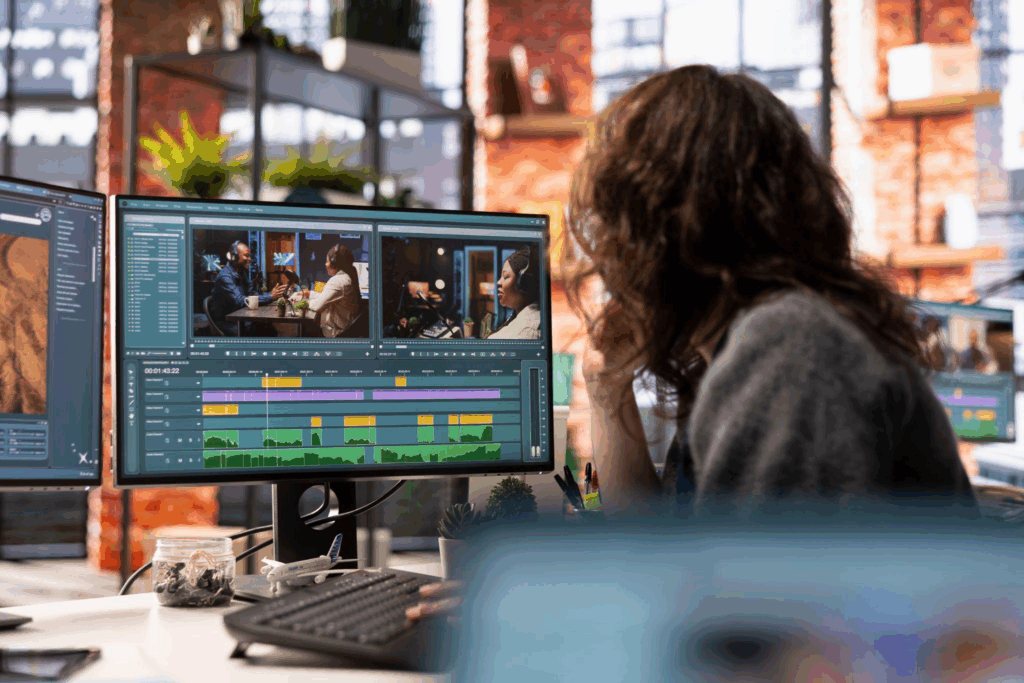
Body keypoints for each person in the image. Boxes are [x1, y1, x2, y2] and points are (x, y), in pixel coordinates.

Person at [562, 64, 977, 520]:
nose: (607, 250)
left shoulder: (790, 348)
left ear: (663, 227)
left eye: (616, 222)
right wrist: (608, 388)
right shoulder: (748, 345)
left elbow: (750, 588)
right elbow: (655, 557)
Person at [209, 241, 286, 336]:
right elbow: (240, 301)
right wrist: (270, 296)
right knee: (267, 332)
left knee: (270, 330)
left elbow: (251, 295)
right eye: (246, 255)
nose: (249, 259)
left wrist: (272, 294)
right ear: (234, 257)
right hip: (228, 322)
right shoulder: (225, 277)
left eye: (250, 256)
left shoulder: (242, 273)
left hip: (241, 318)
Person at [299, 244, 361, 337]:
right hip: (346, 331)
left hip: (337, 333)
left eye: (327, 261)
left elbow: (317, 306)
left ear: (334, 263)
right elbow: (327, 297)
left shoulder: (337, 281)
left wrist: (306, 303)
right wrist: (310, 294)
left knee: (305, 331)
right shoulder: (345, 277)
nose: (325, 264)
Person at [486, 247, 541, 340]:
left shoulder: (527, 331)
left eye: (505, 277)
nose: (498, 282)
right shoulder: (518, 317)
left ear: (524, 282)